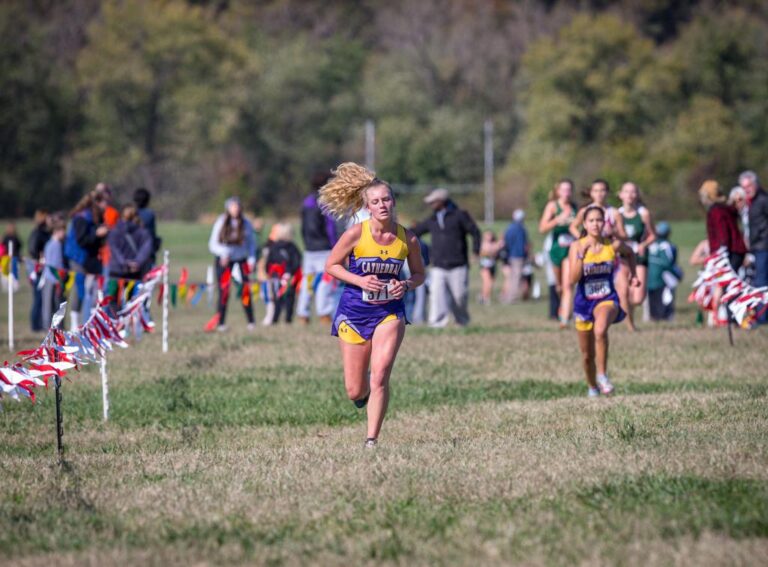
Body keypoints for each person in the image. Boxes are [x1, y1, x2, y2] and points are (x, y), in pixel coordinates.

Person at [321, 163, 425, 447]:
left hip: (389, 313)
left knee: (380, 376)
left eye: (387, 200)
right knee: (355, 390)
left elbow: (419, 275)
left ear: (394, 202)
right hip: (353, 312)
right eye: (376, 201)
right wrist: (361, 280)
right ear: (367, 207)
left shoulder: (408, 238)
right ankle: (363, 399)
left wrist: (405, 285)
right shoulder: (356, 234)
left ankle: (371, 440)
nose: (382, 205)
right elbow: (331, 265)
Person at [570, 205, 639, 397]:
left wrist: (633, 274)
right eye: (591, 220)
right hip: (584, 302)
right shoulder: (577, 246)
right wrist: (580, 257)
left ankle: (602, 375)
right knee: (586, 356)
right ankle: (592, 386)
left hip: (607, 299)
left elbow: (631, 252)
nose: (595, 224)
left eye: (599, 220)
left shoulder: (612, 245)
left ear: (605, 222)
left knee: (600, 330)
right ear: (584, 223)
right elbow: (572, 279)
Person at [412, 188, 480, 327]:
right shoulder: (432, 219)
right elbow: (415, 231)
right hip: (438, 265)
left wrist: (476, 251)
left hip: (458, 264)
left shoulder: (459, 215)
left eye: (433, 202)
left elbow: (475, 232)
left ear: (441, 201)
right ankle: (436, 324)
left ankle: (462, 322)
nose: (431, 205)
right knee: (436, 296)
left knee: (459, 297)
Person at [208, 197, 258, 331]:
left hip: (241, 261)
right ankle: (221, 323)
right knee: (224, 291)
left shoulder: (246, 223)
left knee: (245, 290)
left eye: (237, 206)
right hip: (224, 262)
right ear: (228, 208)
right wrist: (223, 254)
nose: (236, 209)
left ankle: (251, 321)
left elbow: (251, 244)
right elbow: (212, 244)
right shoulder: (221, 222)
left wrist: (251, 260)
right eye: (233, 206)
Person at [64, 190, 109, 329]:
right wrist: (97, 234)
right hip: (78, 257)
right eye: (104, 202)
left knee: (95, 288)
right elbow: (81, 240)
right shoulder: (81, 218)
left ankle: (91, 322)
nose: (107, 205)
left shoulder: (97, 217)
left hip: (91, 257)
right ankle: (74, 324)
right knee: (79, 289)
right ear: (97, 203)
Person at [298, 171, 338, 325]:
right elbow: (330, 228)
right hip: (324, 249)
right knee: (325, 282)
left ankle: (303, 313)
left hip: (309, 249)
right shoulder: (324, 203)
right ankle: (324, 313)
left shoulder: (306, 202)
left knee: (307, 282)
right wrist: (335, 247)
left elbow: (302, 227)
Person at [616, 182, 656, 331]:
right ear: (620, 194)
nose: (629, 195)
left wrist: (643, 245)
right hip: (622, 257)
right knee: (624, 292)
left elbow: (653, 235)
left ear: (637, 195)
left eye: (633, 192)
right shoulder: (616, 214)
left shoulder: (644, 213)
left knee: (638, 298)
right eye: (626, 192)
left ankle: (629, 313)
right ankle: (630, 325)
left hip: (639, 257)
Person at [538, 179, 577, 327]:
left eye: (569, 190)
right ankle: (563, 306)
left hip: (570, 250)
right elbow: (542, 228)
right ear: (558, 191)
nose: (567, 192)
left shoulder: (574, 207)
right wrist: (557, 220)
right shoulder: (553, 206)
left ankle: (565, 319)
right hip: (555, 249)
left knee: (568, 285)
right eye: (564, 189)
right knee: (559, 286)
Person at [106, 205, 154, 311]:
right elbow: (146, 249)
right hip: (135, 271)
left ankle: (116, 325)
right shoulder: (143, 231)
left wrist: (125, 263)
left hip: (117, 270)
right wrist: (137, 262)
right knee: (131, 302)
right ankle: (127, 325)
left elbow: (114, 250)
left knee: (113, 301)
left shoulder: (115, 231)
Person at [740, 170, 768, 324]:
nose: (747, 190)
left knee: (761, 281)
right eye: (744, 187)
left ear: (756, 185)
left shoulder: (763, 200)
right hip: (754, 248)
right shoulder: (748, 204)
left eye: (749, 186)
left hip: (763, 246)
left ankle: (762, 318)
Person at [264, 223, 302, 324]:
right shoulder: (292, 247)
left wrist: (269, 273)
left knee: (278, 299)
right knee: (289, 298)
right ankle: (287, 319)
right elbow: (297, 261)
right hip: (288, 277)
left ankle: (275, 319)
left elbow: (268, 262)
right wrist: (291, 272)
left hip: (277, 277)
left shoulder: (274, 247)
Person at [647, 222, 682, 321]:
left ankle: (654, 316)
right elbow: (669, 264)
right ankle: (666, 316)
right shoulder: (667, 246)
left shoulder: (650, 244)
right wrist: (677, 274)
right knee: (665, 299)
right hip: (663, 278)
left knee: (653, 299)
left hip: (649, 278)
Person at [41, 217, 67, 329]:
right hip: (55, 279)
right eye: (62, 231)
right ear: (56, 231)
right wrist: (60, 279)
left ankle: (51, 327)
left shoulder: (49, 244)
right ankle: (53, 328)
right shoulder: (56, 245)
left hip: (49, 278)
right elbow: (56, 265)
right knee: (56, 306)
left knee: (50, 306)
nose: (64, 233)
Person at [27, 210, 51, 332]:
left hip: (43, 268)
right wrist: (40, 257)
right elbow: (32, 249)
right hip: (37, 268)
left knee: (41, 297)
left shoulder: (45, 232)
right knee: (38, 297)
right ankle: (35, 325)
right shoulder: (38, 233)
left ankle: (40, 323)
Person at [502, 209, 529, 304]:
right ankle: (511, 297)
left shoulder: (510, 228)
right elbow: (525, 244)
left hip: (511, 255)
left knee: (513, 276)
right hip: (518, 255)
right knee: (516, 277)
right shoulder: (521, 229)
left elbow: (506, 241)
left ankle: (517, 294)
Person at [133, 187, 161, 265]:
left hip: (132, 251)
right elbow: (152, 233)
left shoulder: (130, 212)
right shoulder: (150, 214)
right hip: (148, 252)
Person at [478, 230, 503, 305]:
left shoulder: (494, 244)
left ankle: (483, 296)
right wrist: (491, 252)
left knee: (490, 283)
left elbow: (498, 248)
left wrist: (501, 240)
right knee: (487, 282)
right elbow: (483, 252)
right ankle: (485, 298)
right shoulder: (483, 244)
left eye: (490, 235)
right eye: (487, 235)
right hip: (485, 266)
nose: (489, 236)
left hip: (492, 266)